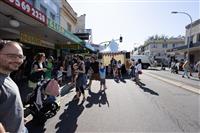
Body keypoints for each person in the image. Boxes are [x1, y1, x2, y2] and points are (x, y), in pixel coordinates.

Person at [0, 40, 28, 132]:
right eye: (11, 56)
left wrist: (18, 119)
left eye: (20, 56)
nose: (17, 60)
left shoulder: (6, 75)